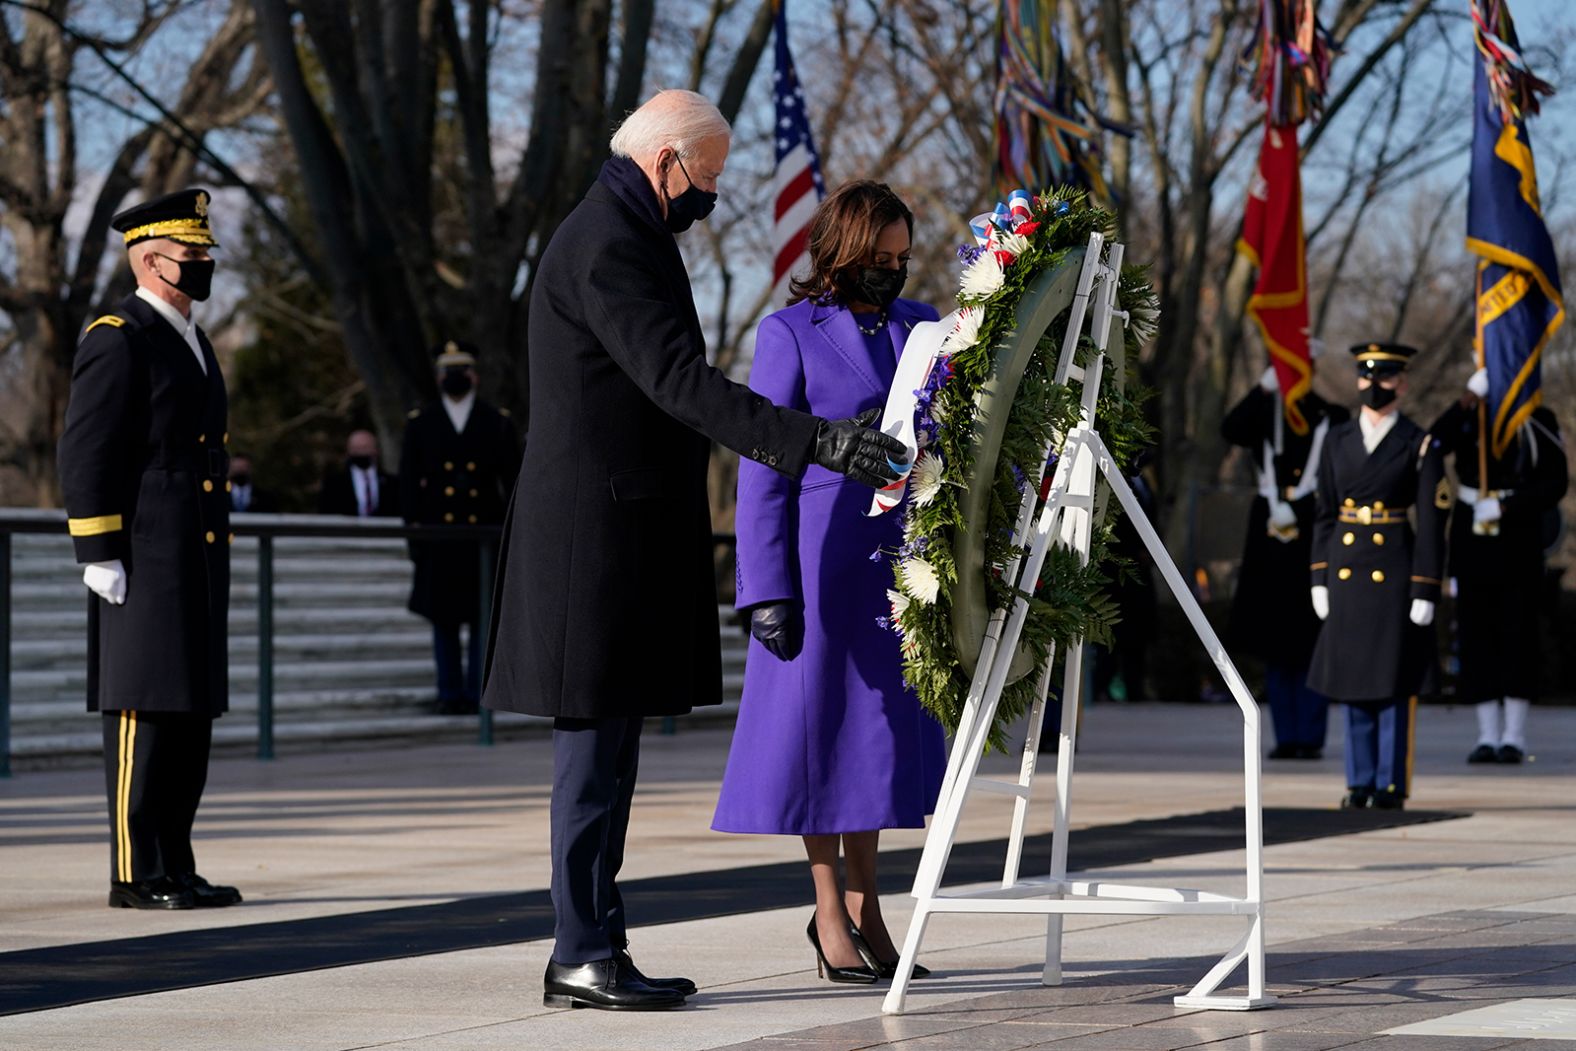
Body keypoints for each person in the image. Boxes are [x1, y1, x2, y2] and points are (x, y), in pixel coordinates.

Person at [480, 90, 909, 1012]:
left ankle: (595, 942)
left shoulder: (628, 236)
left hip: (615, 534)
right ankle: (581, 948)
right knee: (592, 762)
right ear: (666, 161)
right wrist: (818, 439)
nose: (709, 196)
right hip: (588, 543)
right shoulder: (608, 243)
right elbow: (680, 383)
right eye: (707, 178)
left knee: (612, 758)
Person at [711, 181, 946, 985]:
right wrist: (766, 585)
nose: (892, 269)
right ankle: (827, 910)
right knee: (821, 739)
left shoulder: (924, 328)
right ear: (842, 251)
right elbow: (764, 464)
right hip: (819, 558)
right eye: (878, 256)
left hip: (901, 563)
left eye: (902, 257)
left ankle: (871, 902)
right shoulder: (789, 333)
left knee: (874, 747)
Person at [57, 187, 241, 910]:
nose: (202, 266)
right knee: (143, 709)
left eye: (204, 255)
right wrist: (97, 549)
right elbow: (88, 448)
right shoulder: (118, 334)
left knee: (189, 710)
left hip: (192, 548)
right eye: (192, 256)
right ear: (151, 259)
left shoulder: (191, 336)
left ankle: (177, 860)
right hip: (142, 546)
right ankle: (135, 870)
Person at [1307, 343, 1446, 810]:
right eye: (1366, 378)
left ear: (1401, 384)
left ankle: (1389, 783)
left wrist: (1426, 585)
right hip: (1347, 573)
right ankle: (1359, 780)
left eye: (1384, 378)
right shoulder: (1336, 439)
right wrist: (1319, 577)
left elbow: (1431, 521)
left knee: (1392, 683)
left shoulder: (1419, 443)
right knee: (1353, 682)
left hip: (1394, 571)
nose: (1373, 386)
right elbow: (1325, 514)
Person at [1429, 368, 1567, 764]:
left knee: (1517, 635)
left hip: (1517, 537)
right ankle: (1487, 734)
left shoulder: (1536, 418)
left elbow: (1554, 483)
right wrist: (1468, 400)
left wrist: (1508, 505)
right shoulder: (1471, 414)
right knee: (1476, 636)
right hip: (1472, 536)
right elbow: (1434, 444)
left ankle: (1514, 736)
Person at [1222, 357, 1349, 759]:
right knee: (1275, 642)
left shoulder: (1327, 414)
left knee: (1311, 639)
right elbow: (1231, 429)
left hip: (1311, 526)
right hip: (1269, 535)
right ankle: (1286, 735)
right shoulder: (1264, 412)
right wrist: (1262, 390)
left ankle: (1309, 737)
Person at [400, 342, 520, 715]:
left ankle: (479, 693)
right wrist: (416, 538)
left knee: (482, 620)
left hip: (483, 537)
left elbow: (513, 482)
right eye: (448, 372)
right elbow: (408, 485)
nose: (455, 378)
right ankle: (449, 692)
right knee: (444, 620)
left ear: (475, 376)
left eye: (462, 371)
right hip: (440, 537)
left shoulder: (497, 421)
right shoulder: (421, 422)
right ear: (438, 378)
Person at [317, 429, 398, 517]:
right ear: (348, 450)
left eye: (365, 447)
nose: (361, 453)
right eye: (357, 448)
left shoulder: (393, 483)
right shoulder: (333, 484)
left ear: (375, 450)